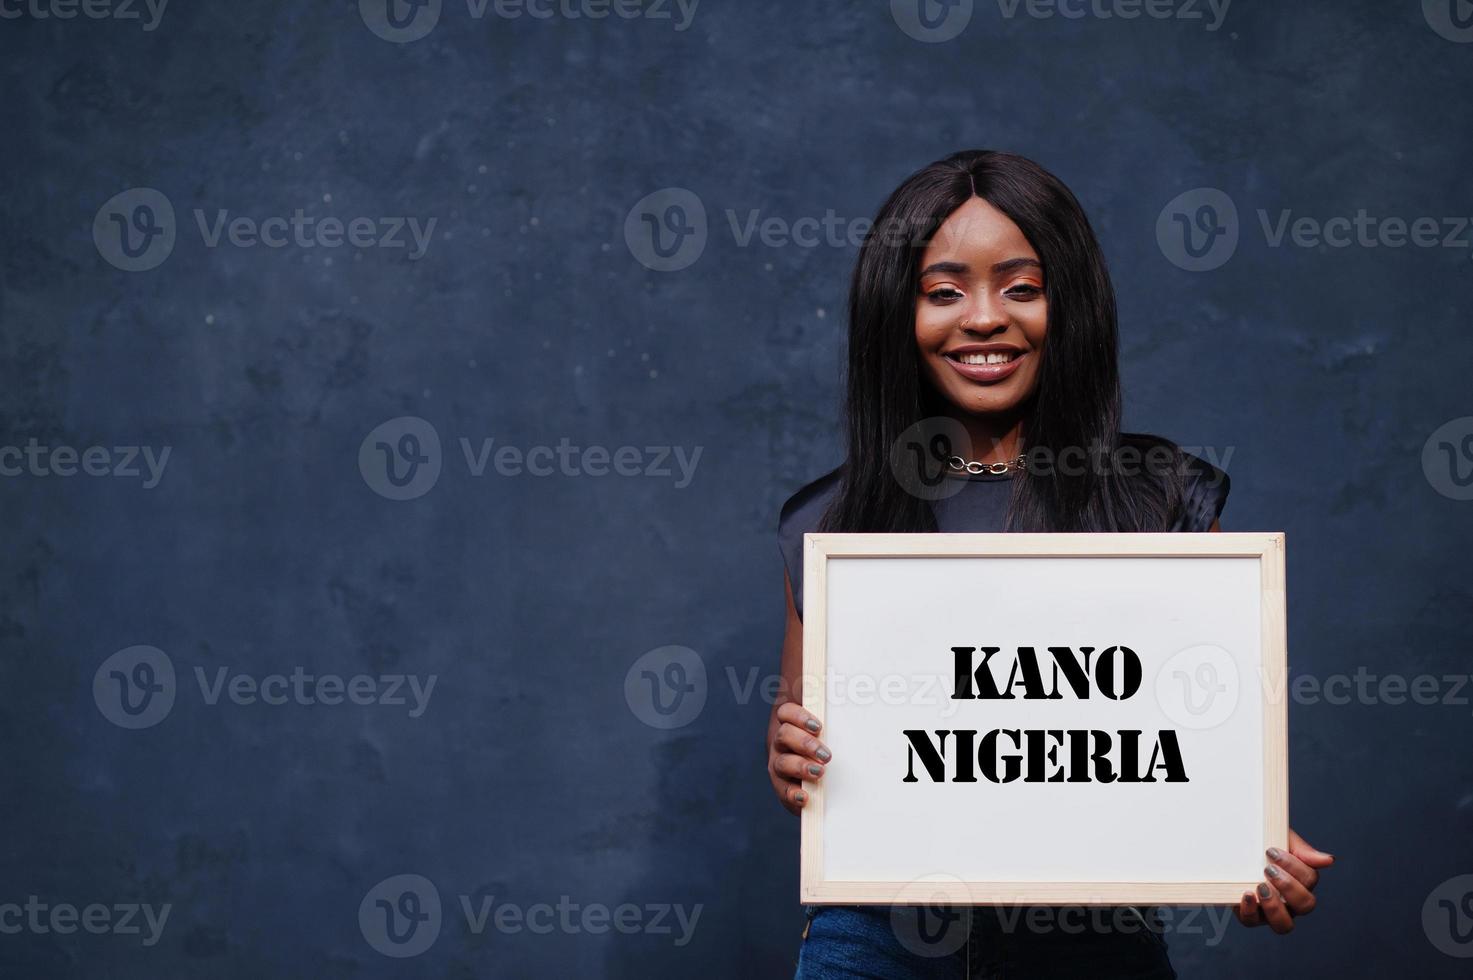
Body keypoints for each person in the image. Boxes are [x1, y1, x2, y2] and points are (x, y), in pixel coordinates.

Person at [766, 150, 1334, 978]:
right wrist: (791, 761)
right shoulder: (829, 521)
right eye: (944, 290)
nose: (985, 317)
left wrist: (1243, 831)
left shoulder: (1158, 498)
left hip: (1091, 944)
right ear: (897, 313)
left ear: (1069, 307)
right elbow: (808, 749)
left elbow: (1203, 740)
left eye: (1022, 288)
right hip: (878, 941)